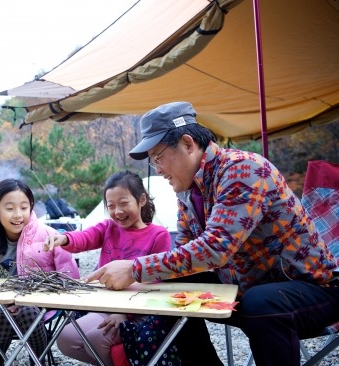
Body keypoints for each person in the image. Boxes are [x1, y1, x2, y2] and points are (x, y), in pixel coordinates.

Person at [84, 101, 339, 366]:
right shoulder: (187, 190)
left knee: (261, 302)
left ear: (187, 143)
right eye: (152, 162)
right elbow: (183, 253)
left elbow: (216, 248)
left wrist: (134, 268)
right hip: (244, 289)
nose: (157, 168)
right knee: (171, 283)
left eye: (158, 157)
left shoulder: (243, 169)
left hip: (313, 291)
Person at [44, 170, 178, 366]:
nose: (117, 211)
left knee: (96, 339)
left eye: (124, 203)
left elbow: (154, 282)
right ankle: (119, 359)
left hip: (138, 312)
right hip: (105, 306)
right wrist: (63, 238)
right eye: (111, 206)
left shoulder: (159, 235)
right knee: (66, 339)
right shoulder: (109, 228)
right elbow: (85, 237)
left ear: (141, 200)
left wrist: (123, 312)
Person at [0, 178, 80, 366]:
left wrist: (25, 301)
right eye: (10, 208)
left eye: (23, 207)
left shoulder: (47, 235)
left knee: (28, 312)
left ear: (31, 208)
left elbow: (67, 276)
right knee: (1, 315)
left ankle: (38, 361)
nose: (18, 214)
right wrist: (5, 302)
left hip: (36, 304)